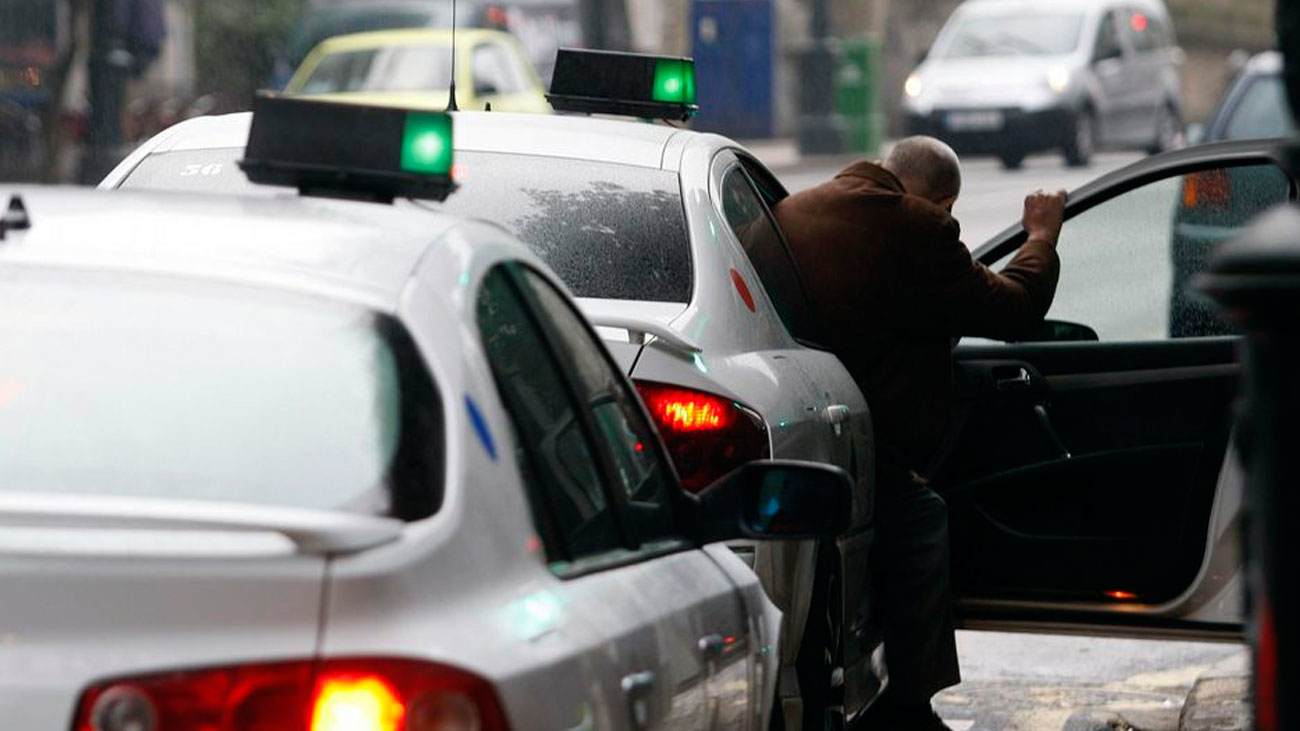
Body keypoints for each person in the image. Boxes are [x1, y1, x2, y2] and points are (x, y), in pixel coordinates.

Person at [773, 136, 1066, 730]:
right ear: (946, 202)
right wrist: (1040, 237)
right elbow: (1011, 308)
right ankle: (910, 707)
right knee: (921, 521)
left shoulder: (794, 210)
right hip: (865, 447)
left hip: (795, 429)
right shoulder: (919, 229)